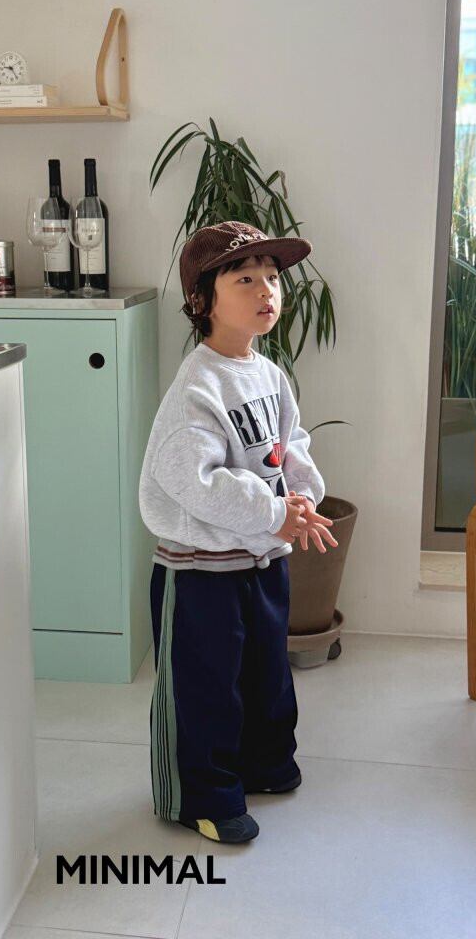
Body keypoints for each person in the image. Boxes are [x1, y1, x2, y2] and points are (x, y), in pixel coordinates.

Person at [138, 220, 337, 844]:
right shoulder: (197, 385)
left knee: (265, 673)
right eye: (244, 279)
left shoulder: (268, 374)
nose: (265, 290)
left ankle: (264, 763)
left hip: (259, 558)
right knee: (205, 688)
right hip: (200, 570)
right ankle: (202, 796)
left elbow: (289, 444)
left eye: (272, 277)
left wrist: (300, 495)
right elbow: (192, 480)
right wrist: (273, 512)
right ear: (203, 299)